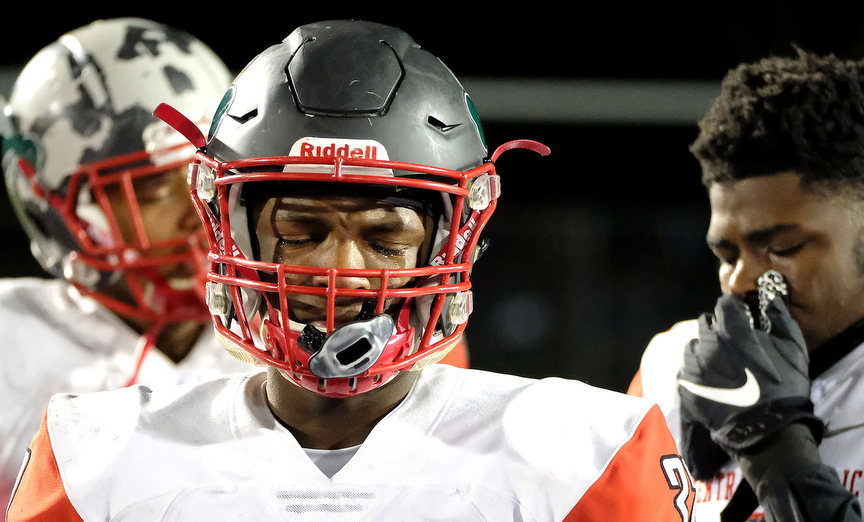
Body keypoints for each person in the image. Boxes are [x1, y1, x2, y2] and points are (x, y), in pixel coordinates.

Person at [8, 20, 694, 521]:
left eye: (386, 236)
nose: (343, 271)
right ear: (232, 229)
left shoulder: (591, 460)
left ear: (451, 241)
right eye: (301, 231)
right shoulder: (89, 458)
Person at [0, 17, 257, 506]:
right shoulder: (11, 345)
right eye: (157, 188)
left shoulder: (297, 330)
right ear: (58, 210)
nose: (199, 211)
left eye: (212, 178)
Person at [628, 48, 864, 521]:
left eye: (782, 248)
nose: (741, 280)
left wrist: (778, 456)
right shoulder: (670, 365)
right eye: (727, 254)